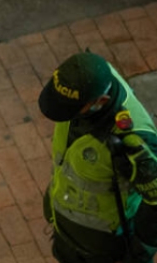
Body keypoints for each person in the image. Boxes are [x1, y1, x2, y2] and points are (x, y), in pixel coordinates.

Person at [39, 52, 157, 263]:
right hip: (66, 233)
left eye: (70, 110)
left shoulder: (135, 141)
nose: (66, 115)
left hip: (106, 250)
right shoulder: (90, 79)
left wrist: (139, 252)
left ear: (101, 101)